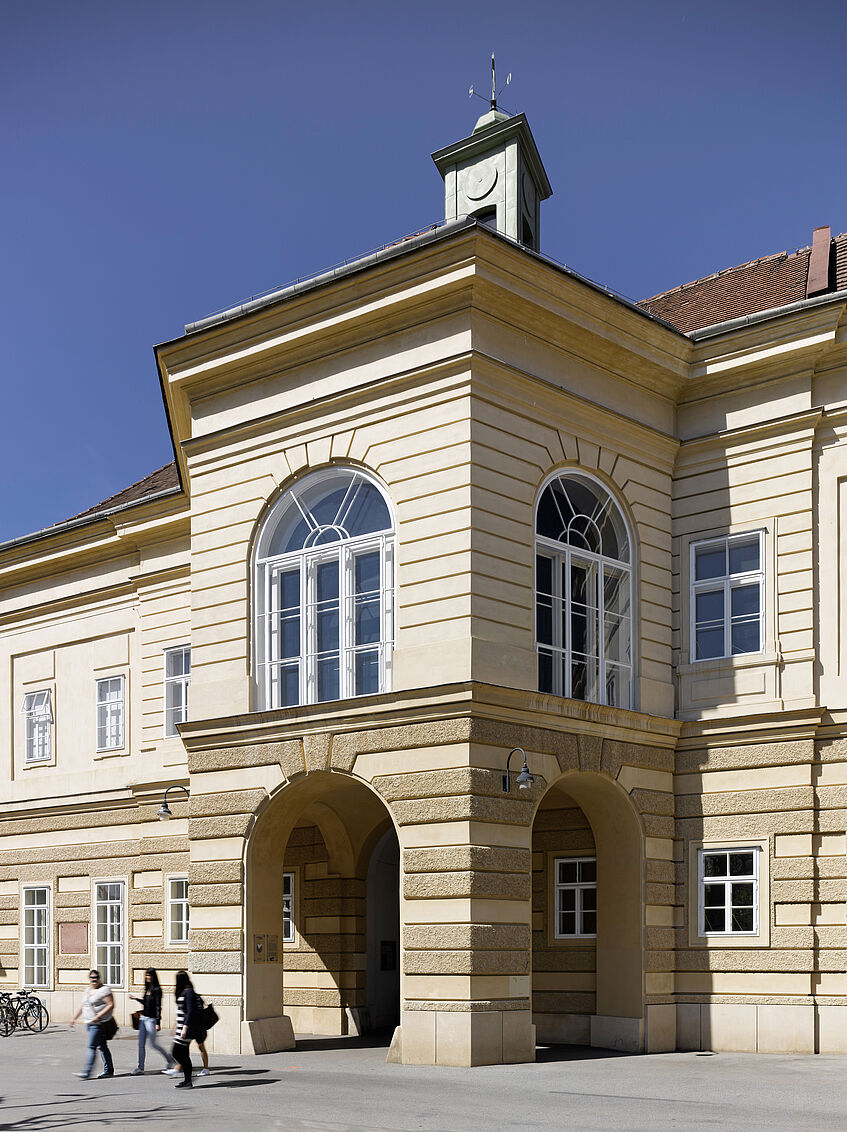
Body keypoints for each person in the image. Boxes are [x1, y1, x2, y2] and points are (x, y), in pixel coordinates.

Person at [69, 970, 115, 1080]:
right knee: (102, 1047)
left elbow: (111, 1004)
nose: (94, 979)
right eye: (92, 977)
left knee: (91, 1046)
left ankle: (87, 1072)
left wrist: (98, 1016)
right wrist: (74, 1018)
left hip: (98, 1024)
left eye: (96, 977)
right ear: (89, 978)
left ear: (99, 978)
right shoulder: (87, 991)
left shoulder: (103, 990)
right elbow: (83, 1006)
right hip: (89, 1024)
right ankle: (109, 1070)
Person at [130, 968, 174, 1074]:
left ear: (154, 976)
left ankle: (170, 1060)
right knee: (141, 1044)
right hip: (143, 1019)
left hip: (151, 1020)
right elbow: (145, 1002)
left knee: (153, 1044)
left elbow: (158, 1006)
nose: (148, 977)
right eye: (146, 975)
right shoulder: (147, 988)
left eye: (149, 975)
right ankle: (140, 1067)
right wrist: (135, 998)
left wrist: (158, 1022)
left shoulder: (157, 989)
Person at [170, 969, 202, 1088]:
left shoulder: (188, 992)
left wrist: (184, 1027)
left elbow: (190, 1011)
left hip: (186, 1028)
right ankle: (187, 1080)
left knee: (176, 1052)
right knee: (182, 1053)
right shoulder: (186, 991)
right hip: (182, 1027)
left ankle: (188, 1077)